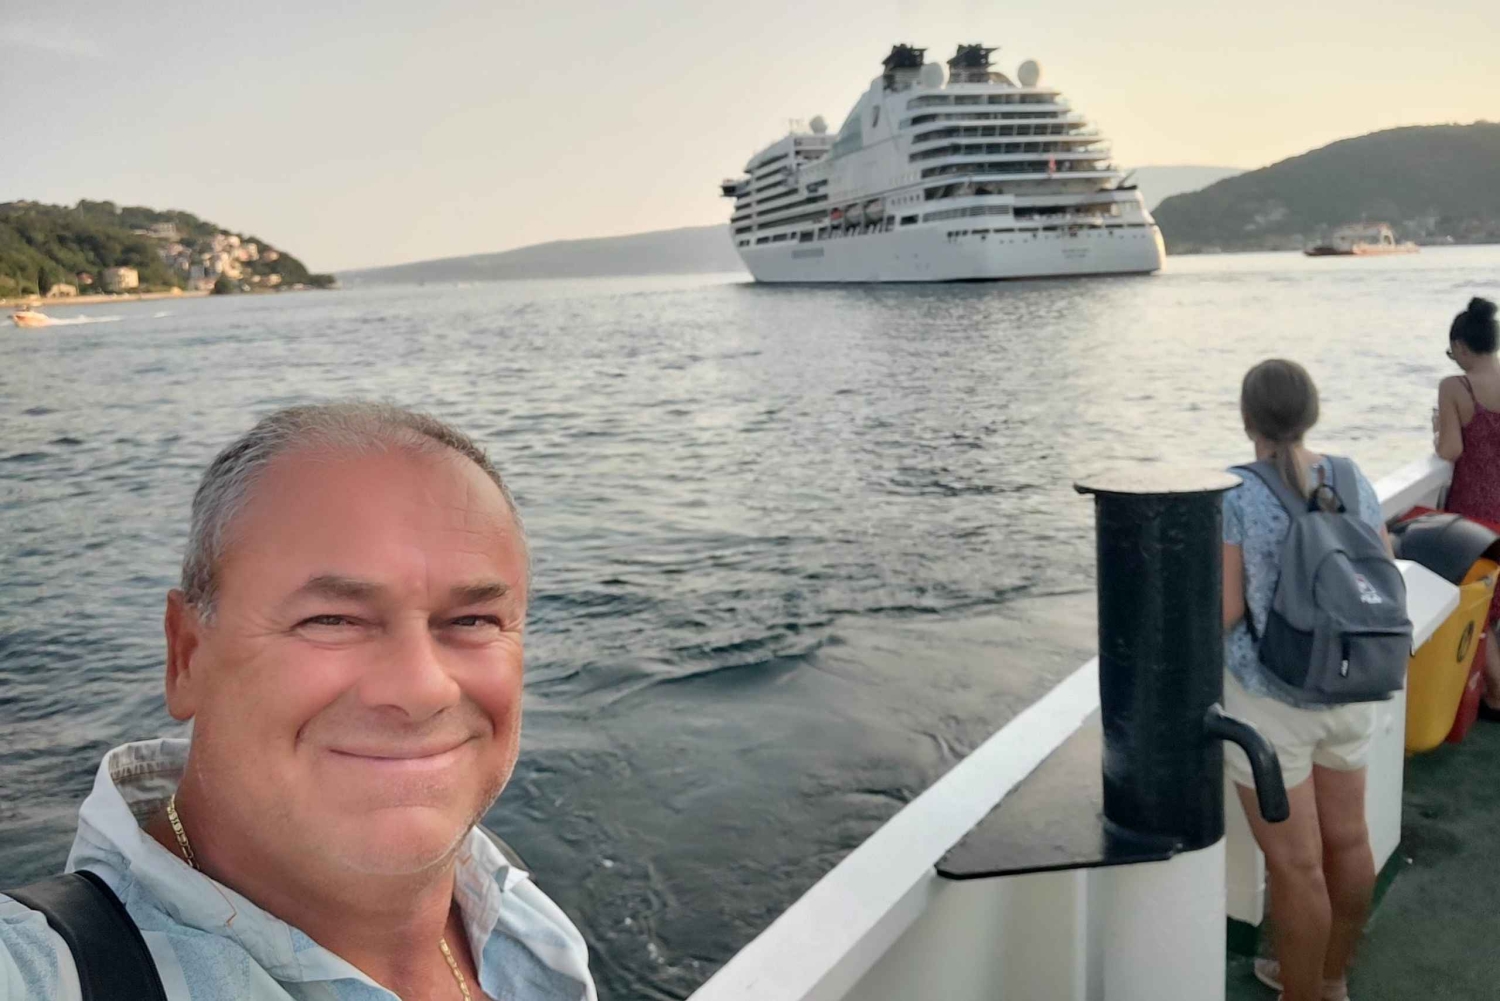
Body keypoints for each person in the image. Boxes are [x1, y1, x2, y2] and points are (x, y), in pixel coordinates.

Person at [0, 403, 596, 1000]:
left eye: (473, 619)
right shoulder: (40, 972)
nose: (422, 689)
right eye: (331, 619)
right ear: (187, 654)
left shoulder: (513, 911)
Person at [1221, 360, 1389, 1001]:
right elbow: (1381, 572)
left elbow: (1226, 611)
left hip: (1273, 702)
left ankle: (1302, 995)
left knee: (1295, 866)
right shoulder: (1352, 477)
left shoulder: (1234, 493)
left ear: (1247, 420)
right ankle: (1331, 980)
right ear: (1312, 412)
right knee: (1350, 840)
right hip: (1351, 685)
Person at [1433, 296, 1500, 718]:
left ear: (1460, 346)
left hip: (1477, 515)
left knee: (1480, 607)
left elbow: (1450, 450)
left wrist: (1438, 429)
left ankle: (1496, 696)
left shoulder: (1456, 388)